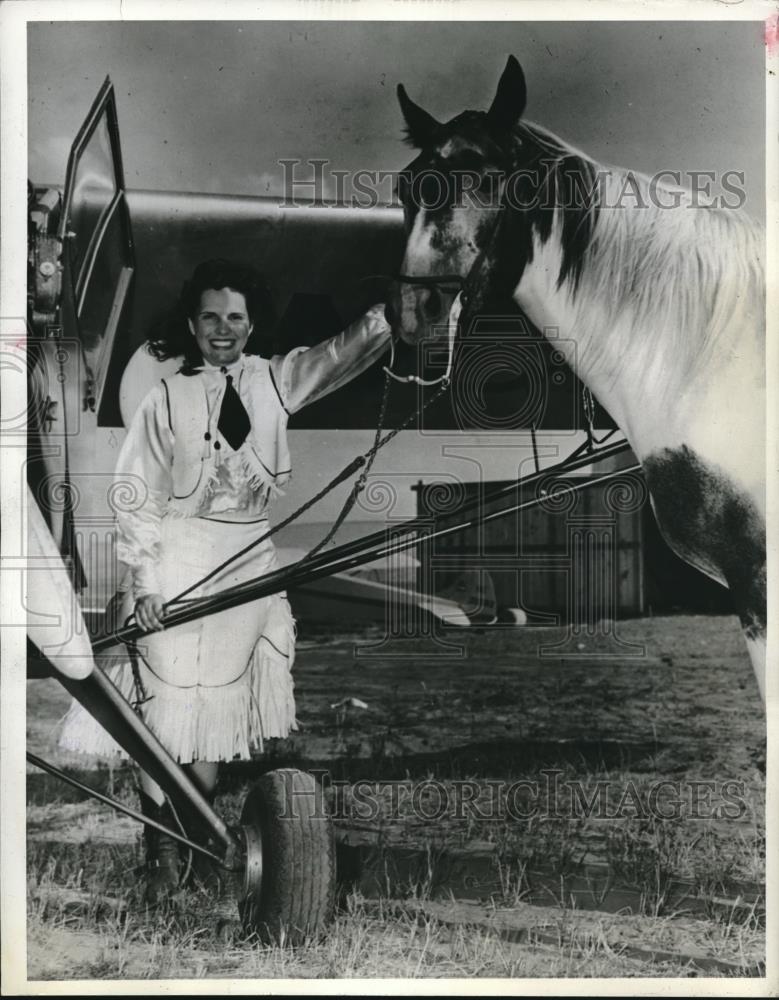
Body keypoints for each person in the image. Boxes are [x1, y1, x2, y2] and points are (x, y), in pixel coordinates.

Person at [60, 258, 391, 902]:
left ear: (251, 324)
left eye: (235, 317)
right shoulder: (165, 398)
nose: (222, 328)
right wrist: (146, 582)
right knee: (166, 712)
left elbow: (338, 354)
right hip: (179, 559)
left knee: (214, 713)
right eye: (210, 316)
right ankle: (161, 856)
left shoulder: (277, 380)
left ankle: (193, 836)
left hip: (249, 564)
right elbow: (135, 495)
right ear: (191, 322)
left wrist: (390, 318)